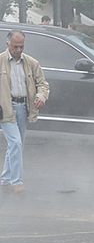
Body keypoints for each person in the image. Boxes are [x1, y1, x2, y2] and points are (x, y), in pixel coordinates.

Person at [0, 30, 49, 193]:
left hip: (24, 108)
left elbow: (42, 83)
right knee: (16, 143)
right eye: (15, 47)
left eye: (21, 47)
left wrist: (41, 96)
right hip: (6, 108)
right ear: (8, 45)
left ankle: (5, 178)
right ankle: (17, 181)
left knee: (16, 145)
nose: (18, 50)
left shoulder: (31, 63)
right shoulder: (1, 61)